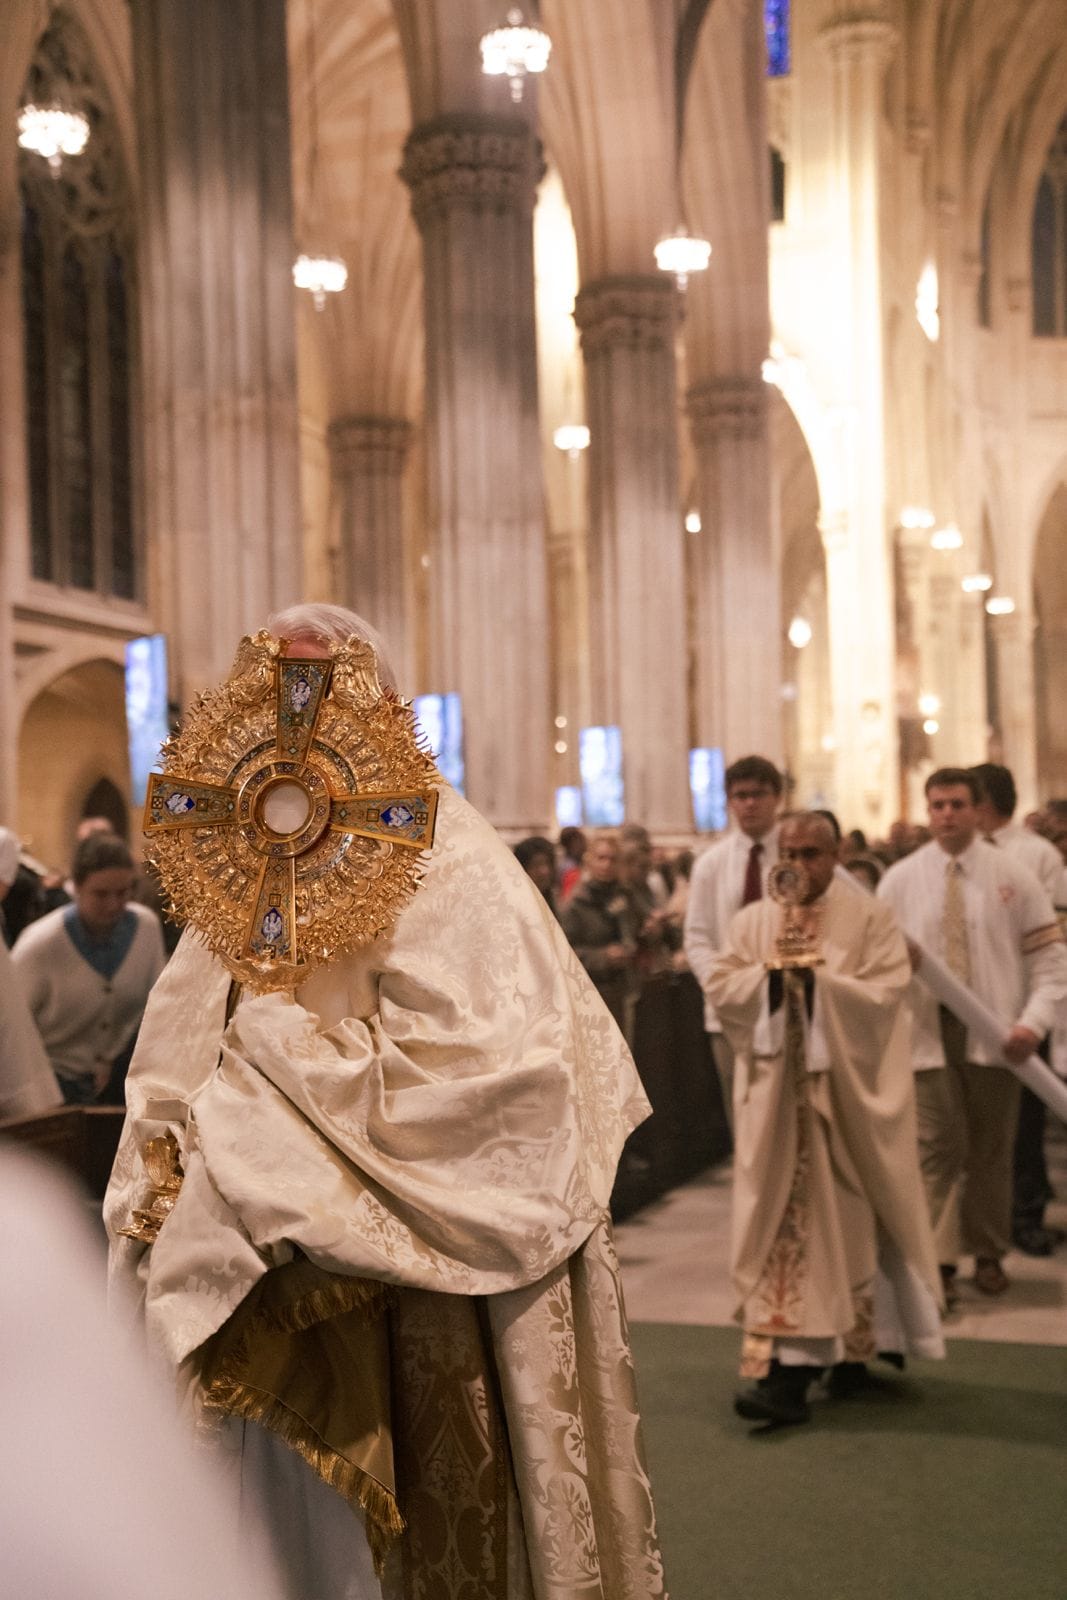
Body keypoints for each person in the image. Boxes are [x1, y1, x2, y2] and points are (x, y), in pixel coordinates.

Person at [105, 604, 666, 1600]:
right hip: (247, 1269)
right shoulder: (243, 856)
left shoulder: (449, 853)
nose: (294, 717)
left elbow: (501, 1079)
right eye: (271, 686)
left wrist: (283, 1068)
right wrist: (185, 1143)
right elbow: (175, 1057)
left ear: (378, 702)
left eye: (317, 686)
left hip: (409, 1297)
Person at [707, 813, 942, 1427]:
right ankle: (794, 1365)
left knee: (850, 1223)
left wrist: (819, 986)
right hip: (776, 1105)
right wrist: (773, 983)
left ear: (838, 854)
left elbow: (886, 996)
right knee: (786, 1224)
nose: (799, 865)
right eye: (789, 852)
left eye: (812, 853)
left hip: (844, 1105)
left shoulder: (870, 918)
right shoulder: (753, 921)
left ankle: (829, 1363)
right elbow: (723, 983)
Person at [878, 768, 1067, 1302]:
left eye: (957, 804)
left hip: (997, 1031)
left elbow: (1052, 960)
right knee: (937, 1147)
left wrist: (1033, 1021)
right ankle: (936, 1263)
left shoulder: (1014, 874)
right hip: (925, 1032)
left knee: (991, 1148)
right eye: (936, 805)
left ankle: (987, 1251)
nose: (946, 815)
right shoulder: (901, 879)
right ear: (926, 810)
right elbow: (872, 961)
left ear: (976, 809)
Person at [971, 763, 1066, 1258]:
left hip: (1024, 1006)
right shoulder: (963, 855)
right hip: (973, 1007)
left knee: (1024, 1119)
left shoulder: (1035, 854)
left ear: (984, 802)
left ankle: (1025, 1213)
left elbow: (1053, 932)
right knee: (981, 1122)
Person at [12, 833, 166, 1105]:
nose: (114, 904)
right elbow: (14, 1029)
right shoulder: (40, 944)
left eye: (123, 892)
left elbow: (157, 1007)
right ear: (77, 887)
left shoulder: (146, 928)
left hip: (120, 1082)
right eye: (101, 894)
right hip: (50, 1090)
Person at [683, 754, 784, 1128]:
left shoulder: (794, 855)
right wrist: (727, 987)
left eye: (759, 794)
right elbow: (697, 937)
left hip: (787, 1001)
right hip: (729, 1009)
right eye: (740, 795)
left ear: (778, 798)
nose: (749, 803)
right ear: (729, 802)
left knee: (785, 1113)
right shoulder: (711, 863)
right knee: (741, 1111)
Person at [560, 830, 642, 1037]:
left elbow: (637, 933)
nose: (606, 865)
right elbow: (564, 955)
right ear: (590, 861)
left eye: (612, 859)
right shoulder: (576, 904)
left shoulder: (627, 895)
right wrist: (603, 956)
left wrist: (650, 932)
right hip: (592, 995)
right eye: (601, 858)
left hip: (625, 990)